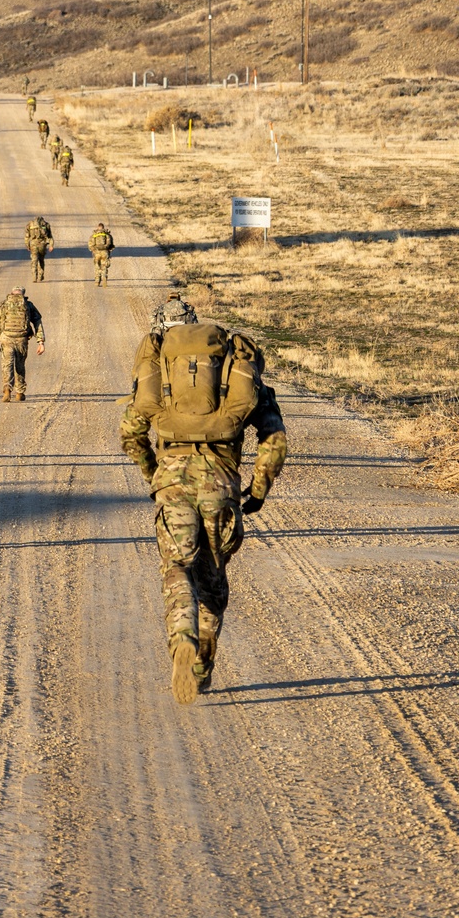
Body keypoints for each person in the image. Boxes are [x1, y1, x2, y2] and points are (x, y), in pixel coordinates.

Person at [119, 294, 287, 704]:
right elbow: (275, 440)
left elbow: (131, 432)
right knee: (212, 583)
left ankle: (182, 639)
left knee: (177, 566)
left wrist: (152, 472)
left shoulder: (159, 372)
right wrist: (258, 488)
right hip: (222, 486)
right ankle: (201, 667)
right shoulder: (233, 366)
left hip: (172, 481)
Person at [0, 285, 45, 402]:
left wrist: (0, 336)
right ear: (23, 295)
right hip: (22, 340)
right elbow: (37, 322)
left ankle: (7, 389)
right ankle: (20, 392)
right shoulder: (28, 305)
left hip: (7, 338)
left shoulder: (4, 305)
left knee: (7, 365)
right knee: (20, 366)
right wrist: (40, 341)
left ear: (11, 294)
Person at [24, 215, 54, 282]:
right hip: (42, 245)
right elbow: (50, 237)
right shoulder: (46, 225)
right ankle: (40, 276)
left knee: (34, 261)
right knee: (41, 260)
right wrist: (51, 245)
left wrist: (27, 245)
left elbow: (26, 237)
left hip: (33, 245)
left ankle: (34, 277)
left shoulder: (30, 224)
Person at [88, 222, 115, 286]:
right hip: (105, 252)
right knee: (104, 265)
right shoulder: (107, 235)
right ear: (103, 227)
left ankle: (97, 281)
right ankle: (104, 277)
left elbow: (90, 245)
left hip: (96, 253)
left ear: (98, 227)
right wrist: (108, 250)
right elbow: (111, 245)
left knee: (97, 266)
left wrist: (93, 250)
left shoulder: (94, 235)